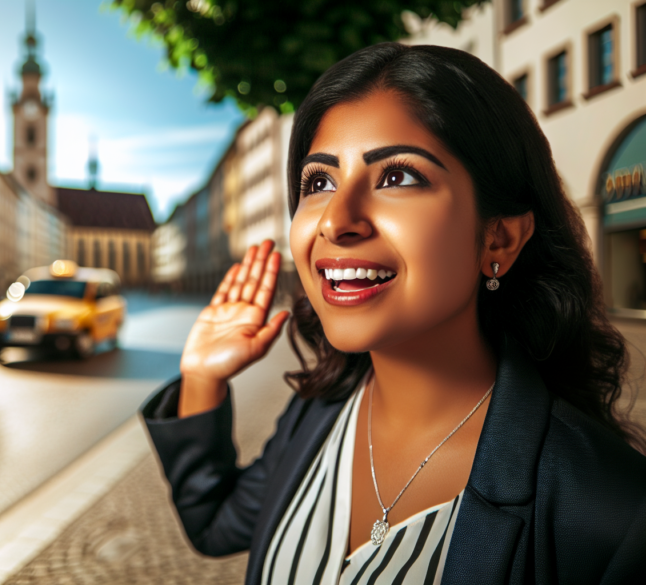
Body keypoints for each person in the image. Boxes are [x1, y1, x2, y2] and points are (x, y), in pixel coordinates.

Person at [141, 42, 646, 585]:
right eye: (319, 182)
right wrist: (201, 378)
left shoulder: (612, 513)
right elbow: (217, 524)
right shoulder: (320, 412)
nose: (337, 220)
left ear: (498, 238)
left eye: (398, 177)